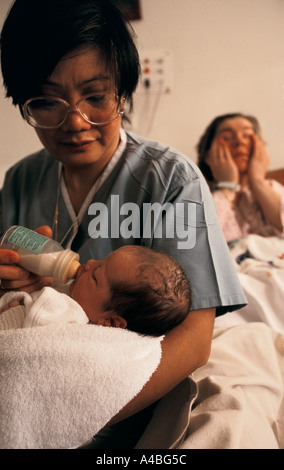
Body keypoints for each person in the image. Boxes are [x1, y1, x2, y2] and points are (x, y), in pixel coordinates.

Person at [0, 0, 246, 448]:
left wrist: (63, 415)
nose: (75, 122)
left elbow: (193, 341)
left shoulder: (171, 180)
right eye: (46, 102)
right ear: (22, 101)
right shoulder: (20, 181)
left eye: (96, 96)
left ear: (124, 92)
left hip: (110, 401)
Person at [0, 245, 191, 336]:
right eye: (102, 260)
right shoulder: (76, 294)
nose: (89, 263)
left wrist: (18, 310)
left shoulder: (67, 313)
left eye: (95, 276)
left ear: (110, 321)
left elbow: (32, 328)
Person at [197, 113, 284, 242]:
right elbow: (198, 240)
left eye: (248, 136)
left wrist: (258, 180)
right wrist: (228, 186)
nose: (239, 141)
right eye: (226, 138)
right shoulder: (200, 195)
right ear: (208, 156)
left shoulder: (272, 187)